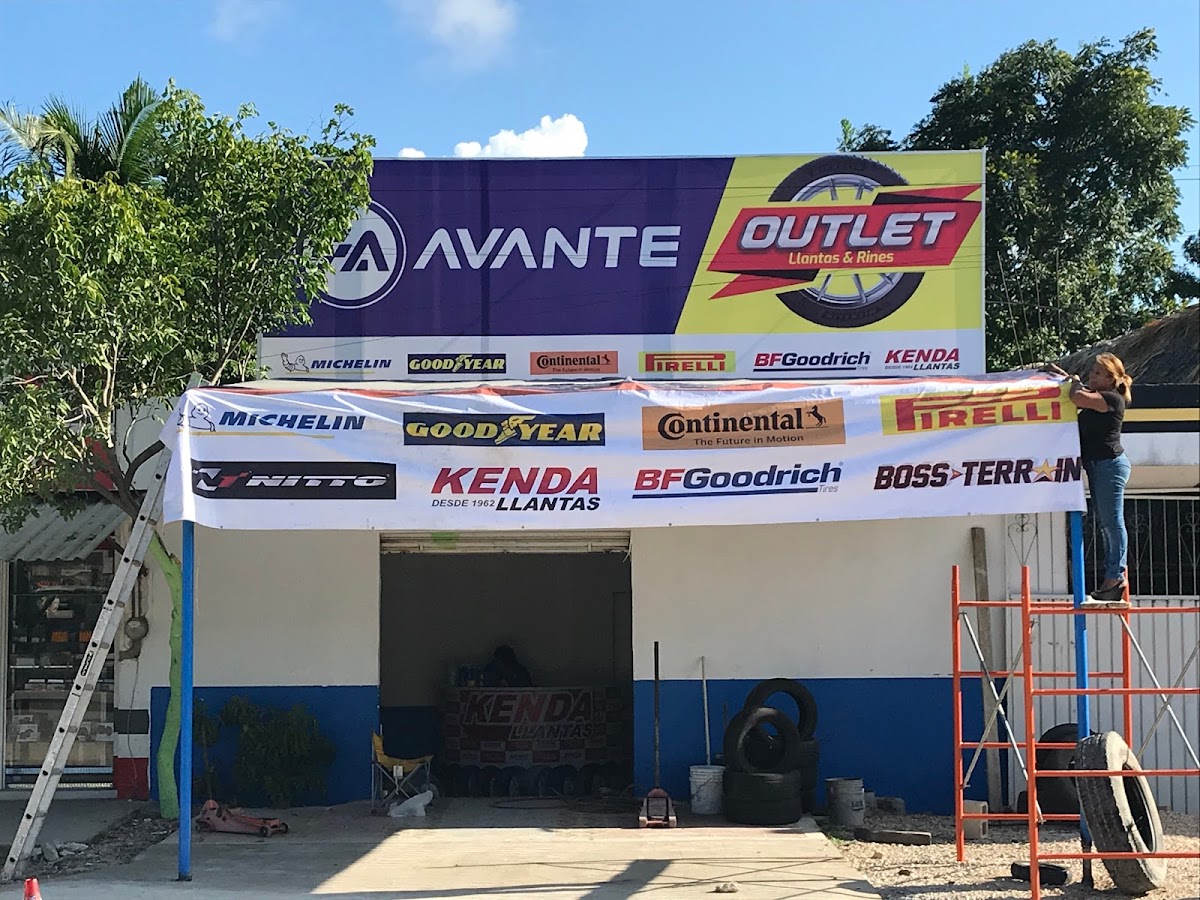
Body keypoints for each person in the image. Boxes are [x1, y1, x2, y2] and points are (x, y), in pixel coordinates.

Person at [1044, 353, 1133, 604]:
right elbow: (1080, 391)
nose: (1091, 376)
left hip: (1109, 465)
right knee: (1105, 522)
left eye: (1097, 373)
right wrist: (1063, 376)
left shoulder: (1112, 399)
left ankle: (1115, 577)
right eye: (1092, 371)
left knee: (1112, 522)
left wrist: (1072, 380)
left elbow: (1077, 396)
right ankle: (1112, 579)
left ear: (1110, 379)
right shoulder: (1099, 396)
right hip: (1098, 466)